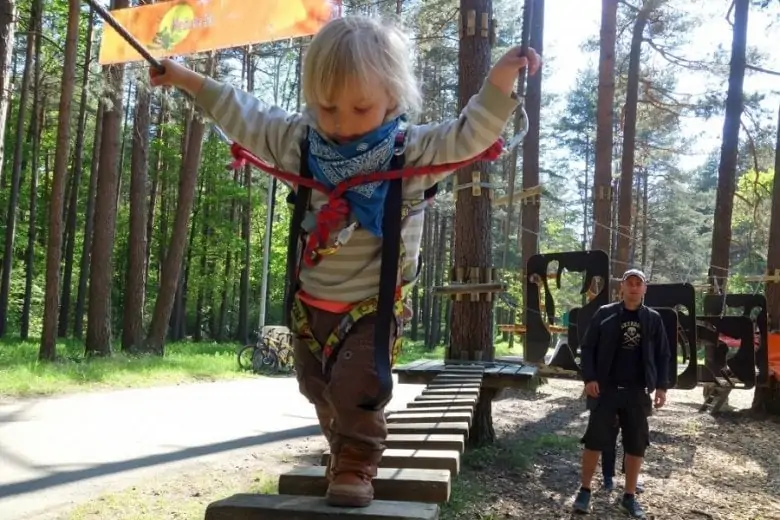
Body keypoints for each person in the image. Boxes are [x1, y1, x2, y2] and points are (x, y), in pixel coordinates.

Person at [149, 15, 541, 508]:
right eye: (327, 106)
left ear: (393, 100)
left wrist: (499, 81)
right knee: (316, 386)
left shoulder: (411, 153)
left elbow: (471, 134)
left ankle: (358, 460)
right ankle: (341, 450)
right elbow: (241, 111)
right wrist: (185, 77)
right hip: (310, 303)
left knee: (358, 385)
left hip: (370, 308)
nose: (341, 121)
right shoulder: (301, 143)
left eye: (361, 107)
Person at [572, 268, 670, 518]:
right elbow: (588, 347)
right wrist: (590, 378)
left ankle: (629, 496)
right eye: (630, 283)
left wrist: (661, 386)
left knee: (636, 445)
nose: (634, 287)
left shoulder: (653, 319)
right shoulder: (605, 314)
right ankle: (584, 491)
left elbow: (663, 355)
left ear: (644, 289)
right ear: (622, 289)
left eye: (639, 283)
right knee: (594, 440)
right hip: (606, 390)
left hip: (637, 392)